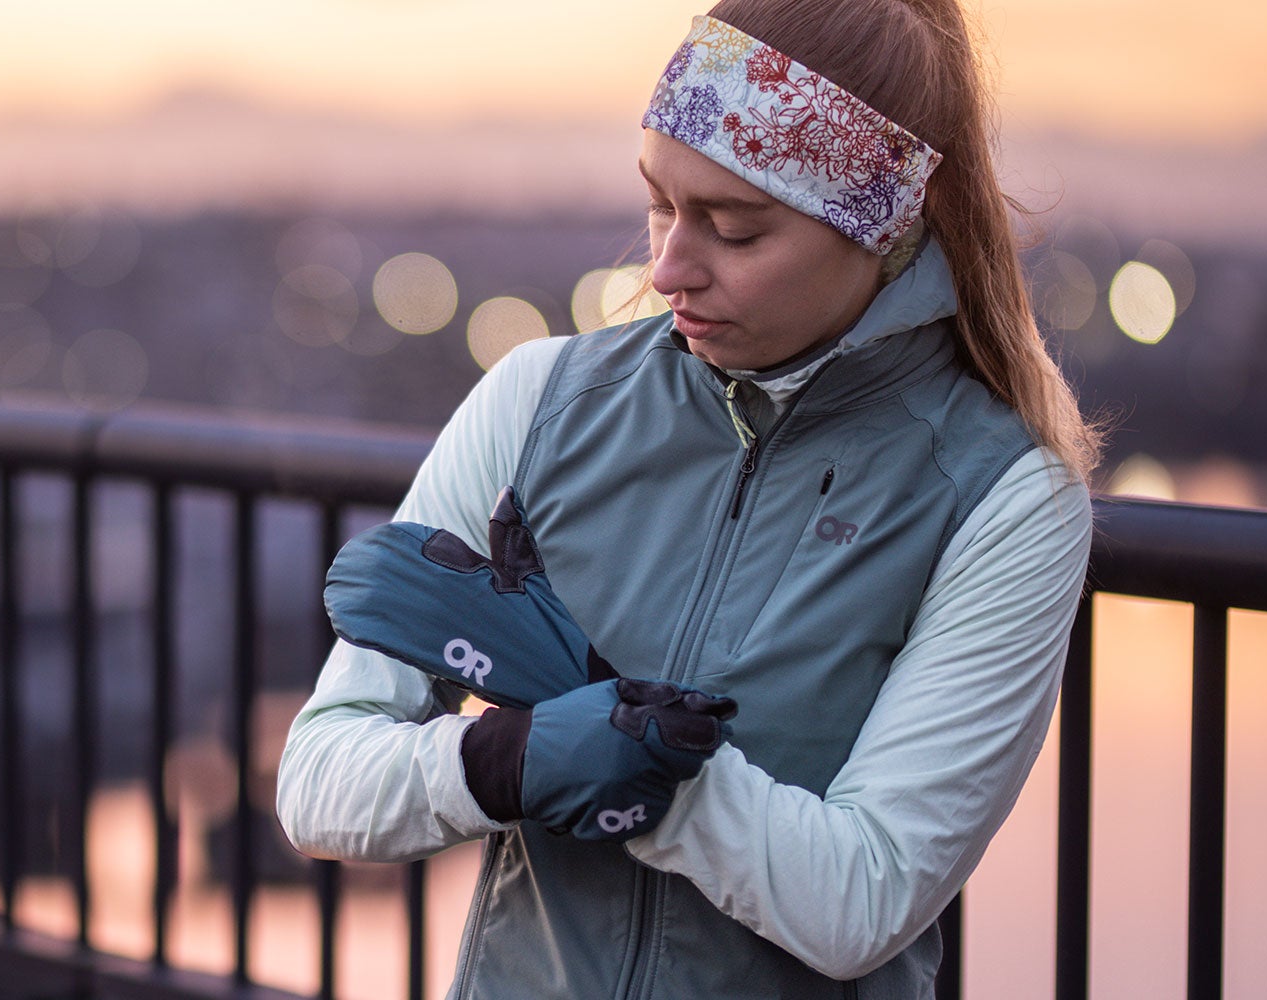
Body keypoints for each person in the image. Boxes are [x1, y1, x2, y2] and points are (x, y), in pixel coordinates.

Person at [273, 0, 1100, 996]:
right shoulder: (538, 403)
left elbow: (865, 899)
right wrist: (509, 755)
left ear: (885, 226)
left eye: (734, 229)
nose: (665, 267)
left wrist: (640, 763)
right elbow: (318, 778)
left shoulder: (1004, 497)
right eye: (660, 203)